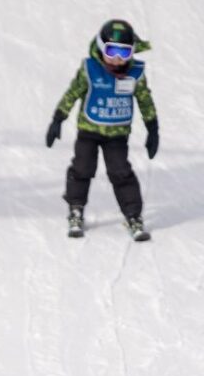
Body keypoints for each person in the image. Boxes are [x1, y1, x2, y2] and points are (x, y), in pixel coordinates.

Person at [45, 19, 159, 241]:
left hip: (117, 135)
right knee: (82, 168)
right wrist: (58, 119)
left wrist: (153, 128)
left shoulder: (135, 73)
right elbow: (73, 93)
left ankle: (133, 216)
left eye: (124, 53)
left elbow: (145, 101)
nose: (117, 58)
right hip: (89, 131)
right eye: (112, 50)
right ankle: (76, 209)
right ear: (100, 47)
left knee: (121, 173)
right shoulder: (90, 70)